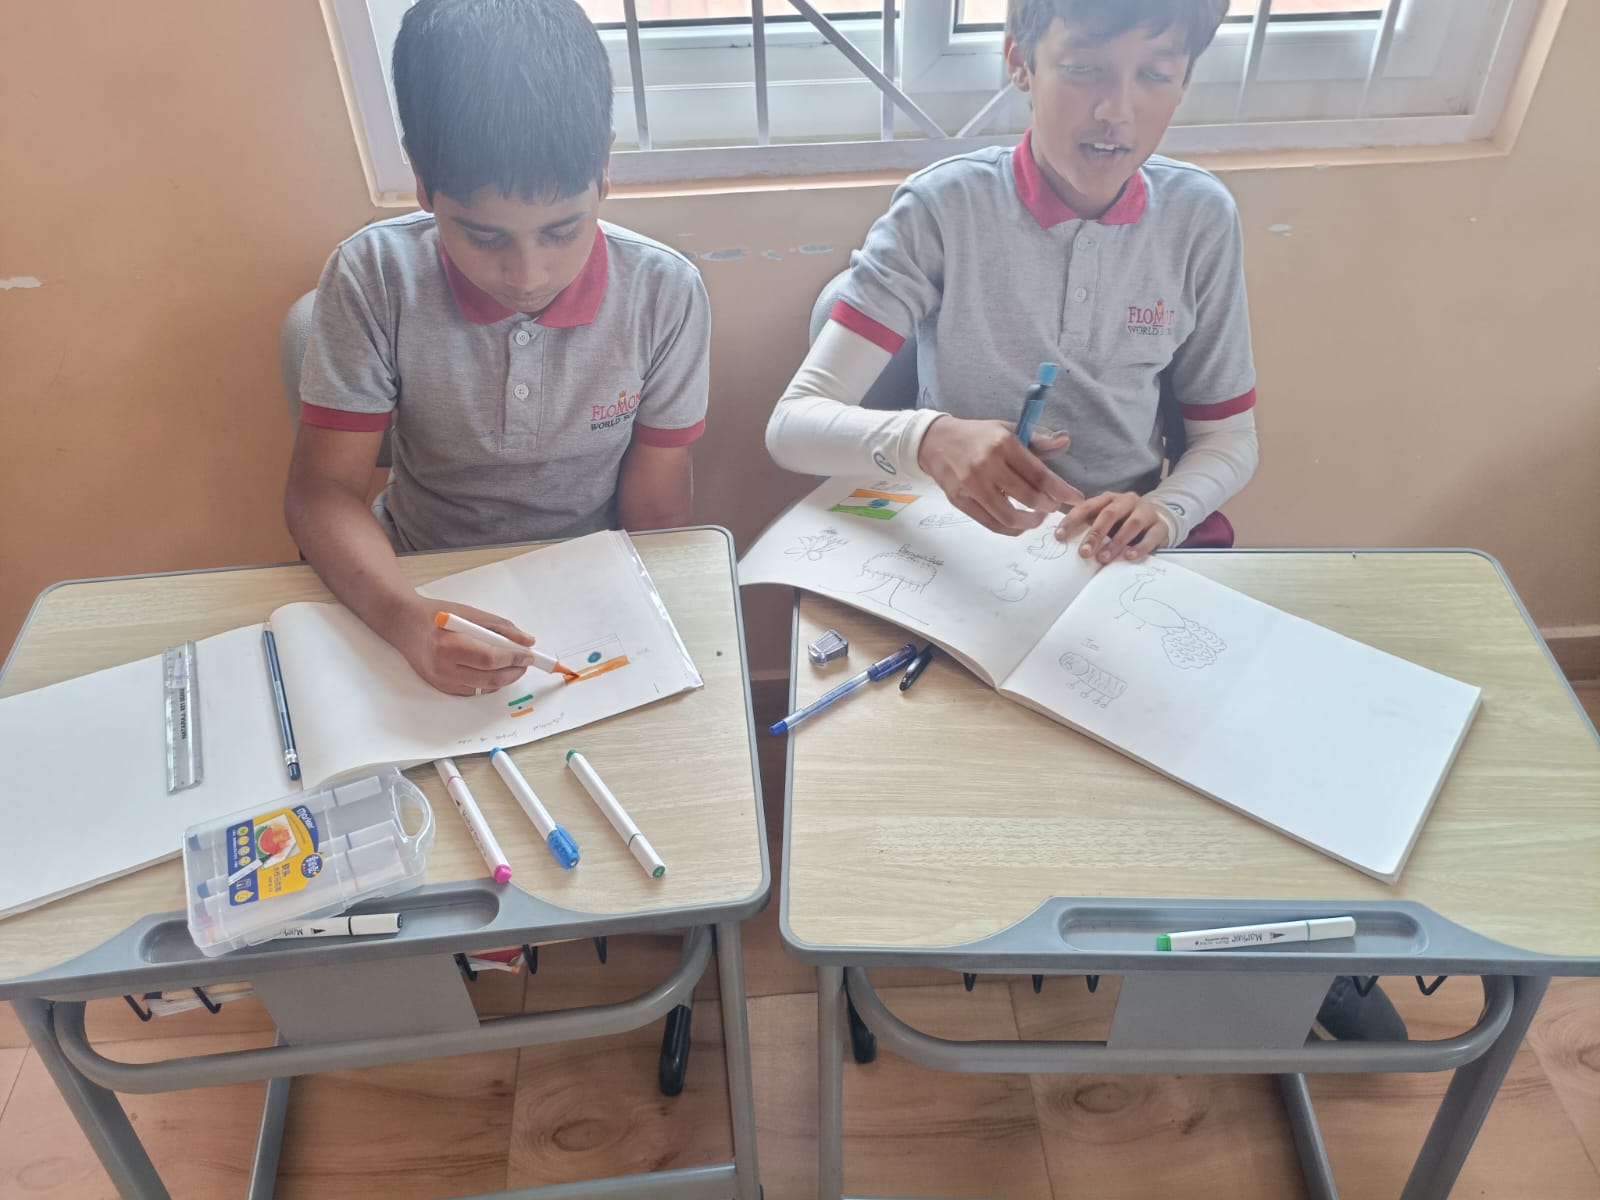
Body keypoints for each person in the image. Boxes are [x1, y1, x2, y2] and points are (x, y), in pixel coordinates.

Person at [285, 0, 709, 696]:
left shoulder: (664, 292)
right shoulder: (374, 276)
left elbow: (657, 510)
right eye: (484, 237)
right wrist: (407, 618)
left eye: (562, 230)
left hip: (589, 579)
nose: (528, 276)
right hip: (412, 577)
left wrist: (654, 633)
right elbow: (321, 491)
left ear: (604, 168)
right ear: (422, 179)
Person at [767, 0, 1257, 567]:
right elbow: (793, 427)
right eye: (1083, 68)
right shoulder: (943, 208)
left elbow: (1228, 438)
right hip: (952, 542)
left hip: (1115, 555)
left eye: (1154, 74)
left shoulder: (1199, 218)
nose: (1116, 111)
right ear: (1021, 62)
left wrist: (1167, 510)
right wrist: (930, 438)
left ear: (1185, 80)